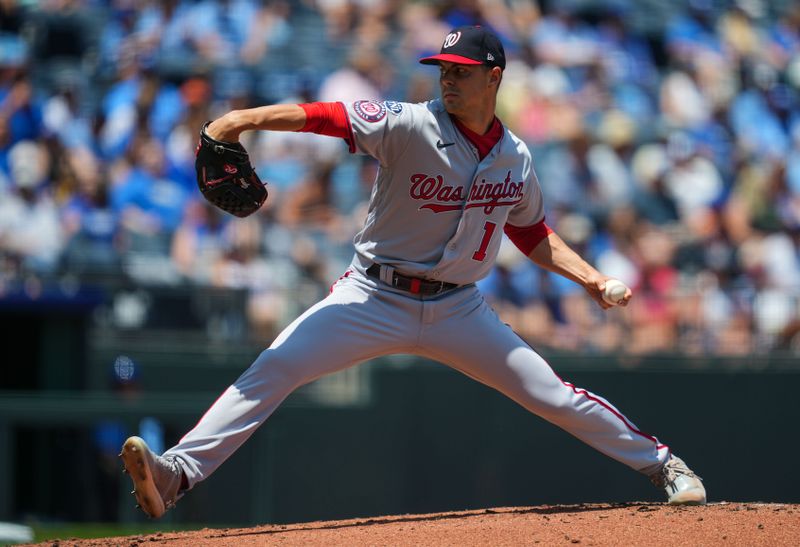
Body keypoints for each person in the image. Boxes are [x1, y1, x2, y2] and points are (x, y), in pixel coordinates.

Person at [120, 25, 706, 519]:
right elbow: (326, 118)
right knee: (274, 367)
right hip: (373, 295)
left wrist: (592, 279)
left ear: (493, 77)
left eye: (461, 71)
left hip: (459, 309)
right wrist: (243, 118)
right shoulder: (408, 122)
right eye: (442, 69)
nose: (447, 79)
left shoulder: (516, 157)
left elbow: (529, 232)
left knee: (552, 395)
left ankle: (663, 465)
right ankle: (176, 474)